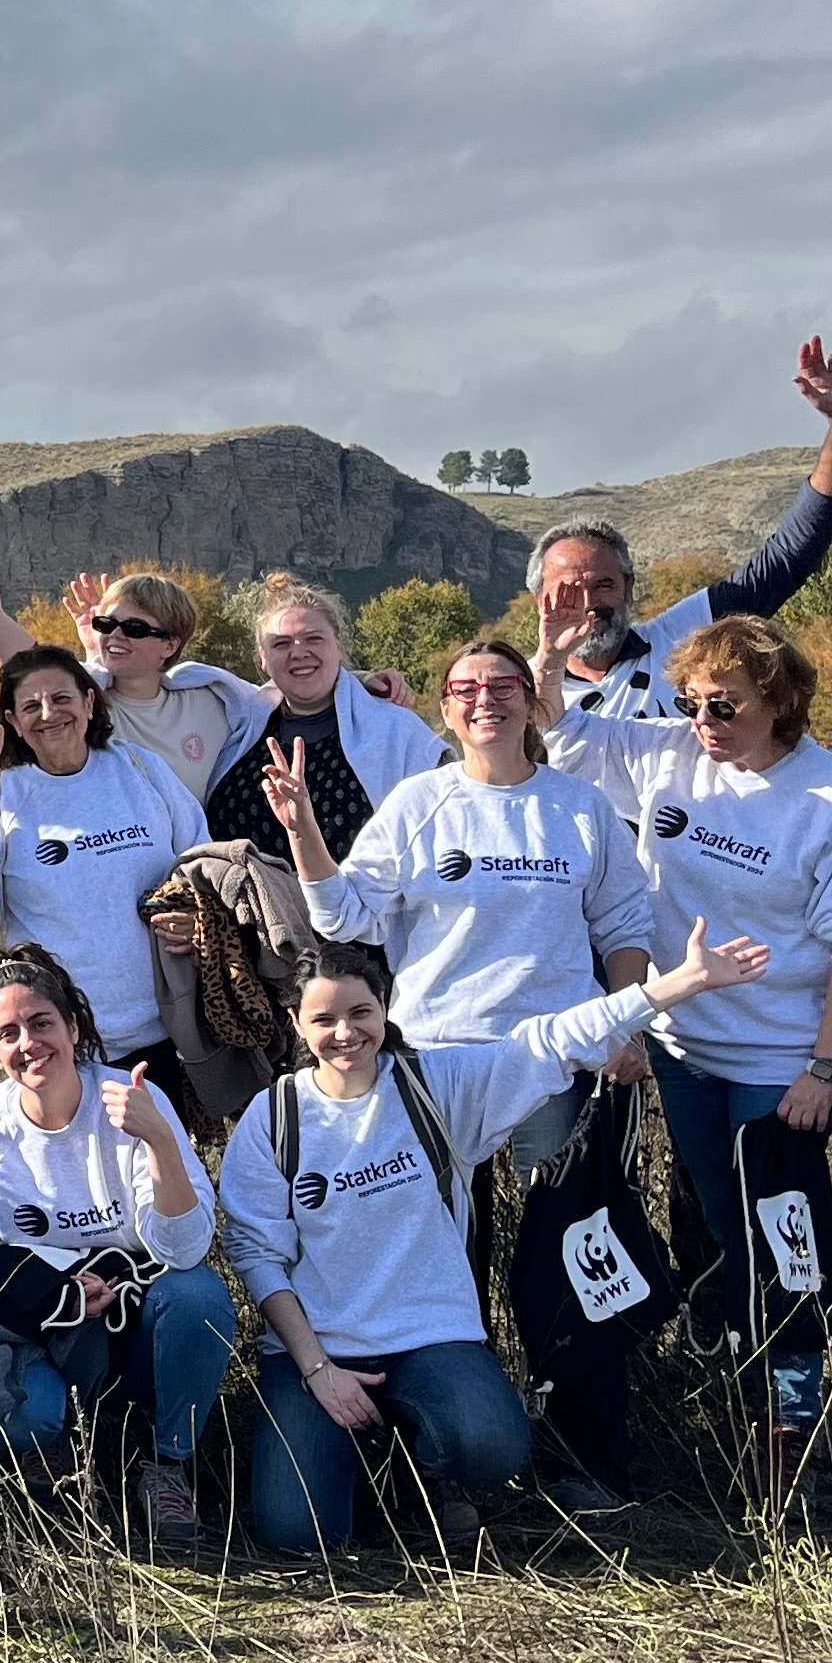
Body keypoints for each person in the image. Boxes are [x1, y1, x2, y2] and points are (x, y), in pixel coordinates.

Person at [221, 925, 772, 1557]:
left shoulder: (437, 1088)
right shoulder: (275, 1117)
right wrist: (318, 1369)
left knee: (490, 1445)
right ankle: (361, 1465)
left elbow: (553, 1039)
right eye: (324, 1019)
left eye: (360, 1013)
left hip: (431, 1340)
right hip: (317, 1353)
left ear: (385, 1007)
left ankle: (427, 1469)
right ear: (296, 1023)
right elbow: (258, 1257)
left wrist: (676, 986)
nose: (345, 1033)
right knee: (297, 1536)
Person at [274, 640, 663, 1509]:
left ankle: (584, 1456)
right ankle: (455, 1455)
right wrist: (304, 834)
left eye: (502, 685)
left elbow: (625, 920)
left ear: (531, 699)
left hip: (556, 1066)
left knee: (569, 1259)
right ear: (445, 710)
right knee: (448, 1260)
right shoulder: (420, 804)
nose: (485, 700)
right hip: (437, 1069)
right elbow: (345, 915)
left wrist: (628, 1019)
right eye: (465, 689)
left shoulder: (579, 808)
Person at [535, 615, 832, 1520]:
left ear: (780, 702)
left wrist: (827, 1066)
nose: (703, 719)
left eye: (725, 704)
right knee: (728, 1235)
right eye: (693, 701)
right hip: (686, 1050)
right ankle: (743, 1408)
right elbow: (563, 730)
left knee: (785, 1236)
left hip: (781, 1058)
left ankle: (797, 1438)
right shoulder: (666, 755)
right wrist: (544, 661)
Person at [0, 946, 232, 1542]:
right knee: (29, 1417)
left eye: (41, 1023)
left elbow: (185, 1250)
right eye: (7, 1033)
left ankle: (166, 1462)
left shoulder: (131, 1100)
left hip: (134, 1323)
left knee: (200, 1297)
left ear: (74, 1027)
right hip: (32, 1329)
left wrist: (161, 1141)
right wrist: (52, 1289)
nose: (29, 1043)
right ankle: (52, 1453)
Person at [0, 646, 212, 1102]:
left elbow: (202, 863)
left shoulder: (139, 769)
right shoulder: (3, 795)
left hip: (169, 1028)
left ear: (89, 702)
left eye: (62, 698)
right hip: (62, 1042)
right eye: (30, 706)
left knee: (169, 1168)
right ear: (13, 722)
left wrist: (198, 920)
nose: (48, 714)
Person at [541, 341, 832, 726]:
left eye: (603, 585)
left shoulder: (680, 638)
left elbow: (789, 558)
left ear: (630, 588)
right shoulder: (511, 691)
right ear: (538, 600)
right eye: (568, 590)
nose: (589, 602)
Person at [0, 463, 258, 808]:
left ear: (170, 644)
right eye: (106, 625)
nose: (115, 636)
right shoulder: (82, 701)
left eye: (134, 629)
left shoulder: (213, 701)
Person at [196, 580, 449, 870]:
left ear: (338, 645)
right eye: (281, 643)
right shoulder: (238, 722)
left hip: (357, 911)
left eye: (313, 639)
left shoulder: (398, 733)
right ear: (263, 658)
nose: (298, 651)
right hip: (240, 912)